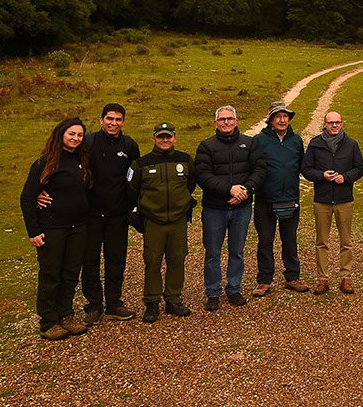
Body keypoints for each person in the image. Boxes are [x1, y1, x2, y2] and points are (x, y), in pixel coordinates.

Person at [38, 103, 140, 325]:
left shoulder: (129, 145)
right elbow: (61, 165)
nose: (113, 123)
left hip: (118, 215)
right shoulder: (88, 142)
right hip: (90, 215)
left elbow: (135, 177)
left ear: (123, 121)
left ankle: (114, 303)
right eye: (109, 118)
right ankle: (94, 305)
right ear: (101, 119)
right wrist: (41, 191)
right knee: (89, 261)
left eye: (118, 119)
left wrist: (133, 207)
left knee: (116, 260)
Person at [20, 117, 91, 340]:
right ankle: (48, 321)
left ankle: (66, 315)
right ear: (61, 134)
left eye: (80, 135)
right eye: (72, 134)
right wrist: (33, 231)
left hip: (78, 227)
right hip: (53, 228)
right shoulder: (45, 163)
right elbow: (27, 198)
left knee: (70, 273)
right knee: (51, 274)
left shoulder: (82, 160)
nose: (76, 138)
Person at [196, 105, 266, 311]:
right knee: (213, 252)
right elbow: (203, 175)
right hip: (214, 209)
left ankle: (234, 289)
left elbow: (260, 169)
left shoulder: (249, 143)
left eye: (230, 119)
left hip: (242, 208)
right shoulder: (206, 146)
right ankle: (213, 292)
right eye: (222, 119)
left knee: (237, 251)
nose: (226, 122)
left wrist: (246, 190)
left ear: (236, 121)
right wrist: (230, 190)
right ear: (215, 123)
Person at [128, 122, 197, 323]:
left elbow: (190, 183)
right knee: (152, 261)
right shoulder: (140, 164)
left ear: (175, 138)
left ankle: (173, 299)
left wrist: (179, 203)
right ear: (154, 138)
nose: (165, 140)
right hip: (153, 221)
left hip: (178, 219)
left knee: (177, 259)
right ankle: (151, 302)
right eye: (161, 137)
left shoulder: (185, 160)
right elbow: (132, 190)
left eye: (168, 137)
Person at [301, 111, 363, 295]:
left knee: (346, 241)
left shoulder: (351, 144)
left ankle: (346, 277)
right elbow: (306, 169)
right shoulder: (315, 144)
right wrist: (321, 175)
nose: (335, 126)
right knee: (322, 241)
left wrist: (345, 178)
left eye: (337, 122)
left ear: (342, 124)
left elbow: (360, 168)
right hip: (322, 200)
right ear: (325, 124)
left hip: (344, 200)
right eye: (331, 123)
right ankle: (323, 279)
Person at [253, 102, 307, 296]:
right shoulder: (259, 140)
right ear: (271, 120)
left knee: (290, 240)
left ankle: (292, 277)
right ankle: (264, 280)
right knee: (265, 241)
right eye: (278, 116)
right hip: (265, 200)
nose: (282, 120)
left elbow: (302, 164)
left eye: (285, 116)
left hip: (290, 198)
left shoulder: (296, 140)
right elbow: (254, 167)